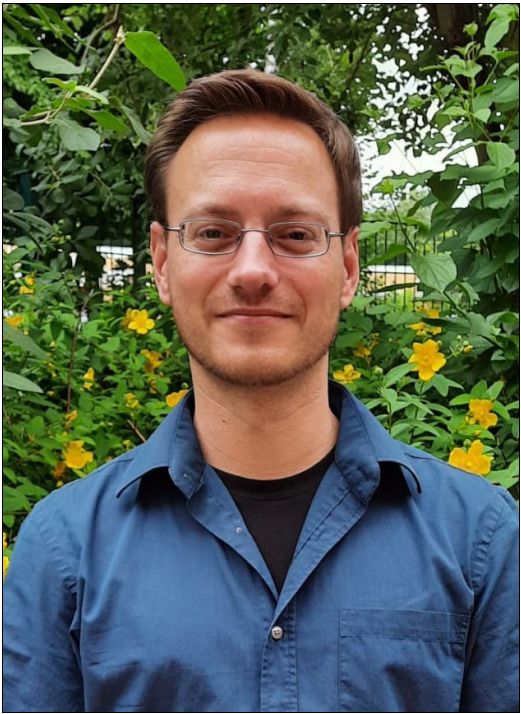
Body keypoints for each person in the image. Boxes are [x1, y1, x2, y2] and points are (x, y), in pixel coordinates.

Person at [3, 69, 518, 714]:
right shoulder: (65, 550)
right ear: (162, 263)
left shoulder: (481, 541)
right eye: (213, 233)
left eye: (295, 234)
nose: (252, 271)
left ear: (348, 267)